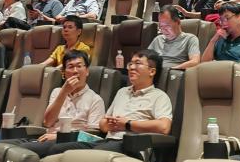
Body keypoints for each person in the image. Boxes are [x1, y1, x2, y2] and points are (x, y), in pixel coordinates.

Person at [43, 49, 172, 156]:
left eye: (137, 64)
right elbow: (103, 125)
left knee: (93, 154)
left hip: (133, 145)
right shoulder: (122, 92)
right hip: (108, 141)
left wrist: (127, 124)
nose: (131, 67)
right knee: (58, 149)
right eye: (130, 64)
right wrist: (112, 123)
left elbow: (164, 127)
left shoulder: (159, 96)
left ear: (152, 71)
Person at [9, 50, 106, 157]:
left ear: (87, 71)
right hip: (47, 138)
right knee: (6, 145)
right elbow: (48, 122)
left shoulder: (95, 100)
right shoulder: (57, 92)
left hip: (69, 144)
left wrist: (60, 137)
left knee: (19, 151)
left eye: (79, 66)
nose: (75, 71)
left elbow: (93, 136)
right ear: (63, 73)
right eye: (70, 67)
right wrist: (64, 92)